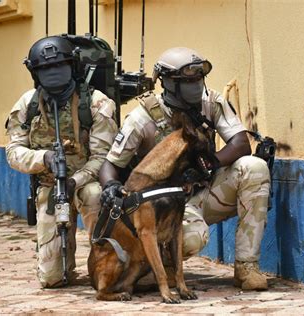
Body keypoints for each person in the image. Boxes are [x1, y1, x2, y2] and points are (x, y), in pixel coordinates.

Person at [99, 47, 270, 290]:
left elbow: (241, 143)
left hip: (205, 190)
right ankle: (163, 268)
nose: (196, 85)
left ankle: (246, 266)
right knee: (191, 239)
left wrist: (209, 164)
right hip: (165, 206)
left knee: (254, 168)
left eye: (199, 79)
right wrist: (110, 186)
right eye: (188, 81)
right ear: (168, 83)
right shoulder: (142, 118)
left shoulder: (210, 102)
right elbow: (110, 165)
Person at [5, 35, 118, 288]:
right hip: (48, 186)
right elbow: (13, 151)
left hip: (85, 183)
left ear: (73, 67)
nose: (53, 73)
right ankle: (62, 263)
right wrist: (42, 158)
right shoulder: (28, 105)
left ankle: (104, 260)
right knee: (51, 279)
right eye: (45, 69)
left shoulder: (97, 103)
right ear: (36, 73)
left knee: (95, 195)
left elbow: (104, 157)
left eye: (59, 66)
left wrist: (75, 180)